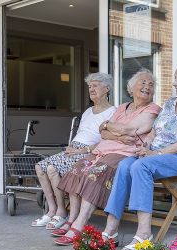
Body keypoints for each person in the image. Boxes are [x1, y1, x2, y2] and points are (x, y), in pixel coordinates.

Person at [101, 62, 177, 250]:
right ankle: (111, 231)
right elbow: (153, 132)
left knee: (141, 166)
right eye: (175, 78)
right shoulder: (170, 103)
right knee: (125, 164)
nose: (174, 83)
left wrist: (156, 154)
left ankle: (144, 235)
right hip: (155, 156)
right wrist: (146, 146)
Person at [54, 68, 161, 245]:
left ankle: (78, 227)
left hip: (123, 154)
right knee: (77, 169)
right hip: (102, 149)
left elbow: (126, 129)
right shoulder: (122, 108)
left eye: (150, 85)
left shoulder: (152, 109)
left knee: (95, 172)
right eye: (142, 82)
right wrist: (113, 131)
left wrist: (110, 128)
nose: (147, 87)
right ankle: (71, 220)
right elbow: (102, 131)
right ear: (131, 87)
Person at [31, 73, 117, 230]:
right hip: (75, 149)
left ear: (107, 88)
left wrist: (82, 150)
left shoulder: (113, 112)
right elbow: (81, 133)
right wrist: (71, 147)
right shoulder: (88, 111)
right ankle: (52, 210)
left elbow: (107, 139)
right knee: (39, 167)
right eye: (90, 86)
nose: (91, 89)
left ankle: (62, 213)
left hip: (89, 152)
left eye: (95, 85)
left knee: (52, 169)